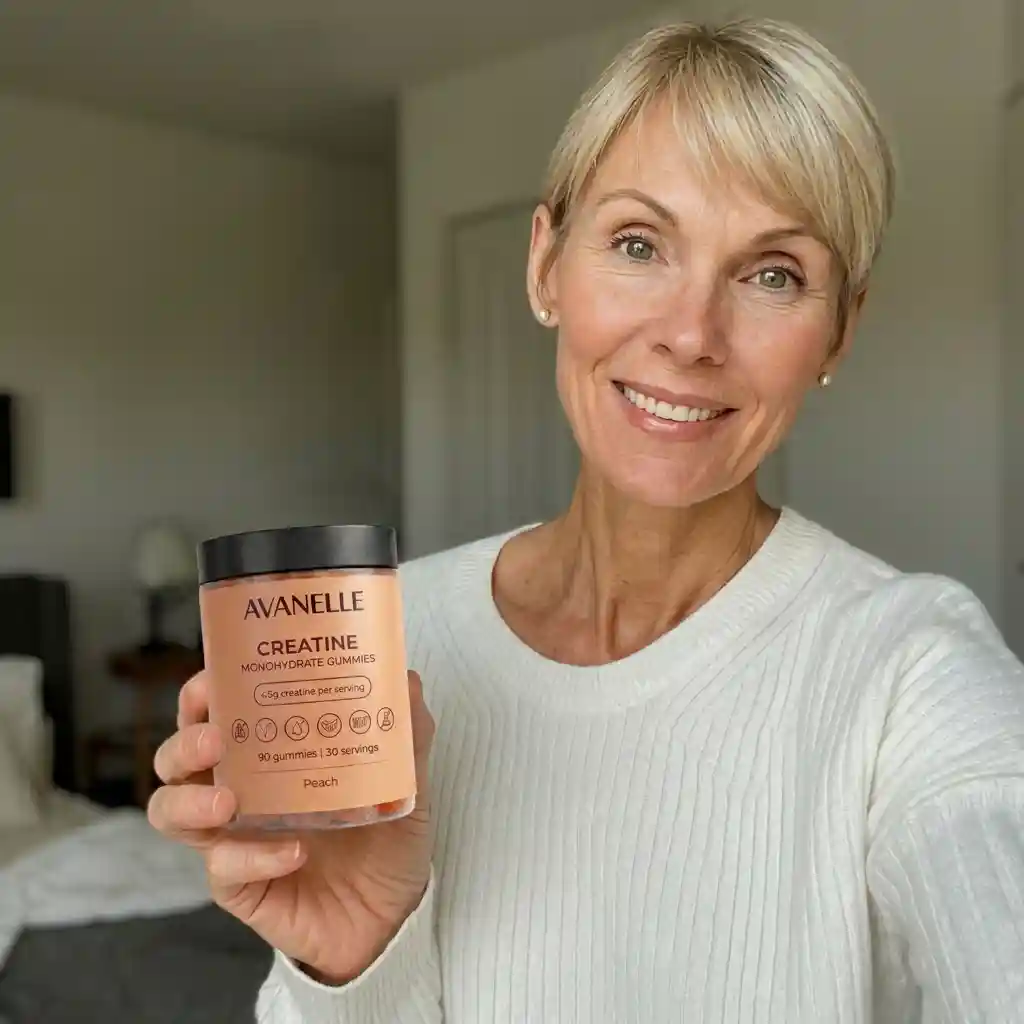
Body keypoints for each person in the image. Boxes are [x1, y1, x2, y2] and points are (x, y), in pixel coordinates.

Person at [148, 17, 1024, 1023]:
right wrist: (357, 963)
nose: (691, 334)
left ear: (838, 330)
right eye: (639, 244)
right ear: (544, 265)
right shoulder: (392, 649)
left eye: (772, 272)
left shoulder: (908, 668)